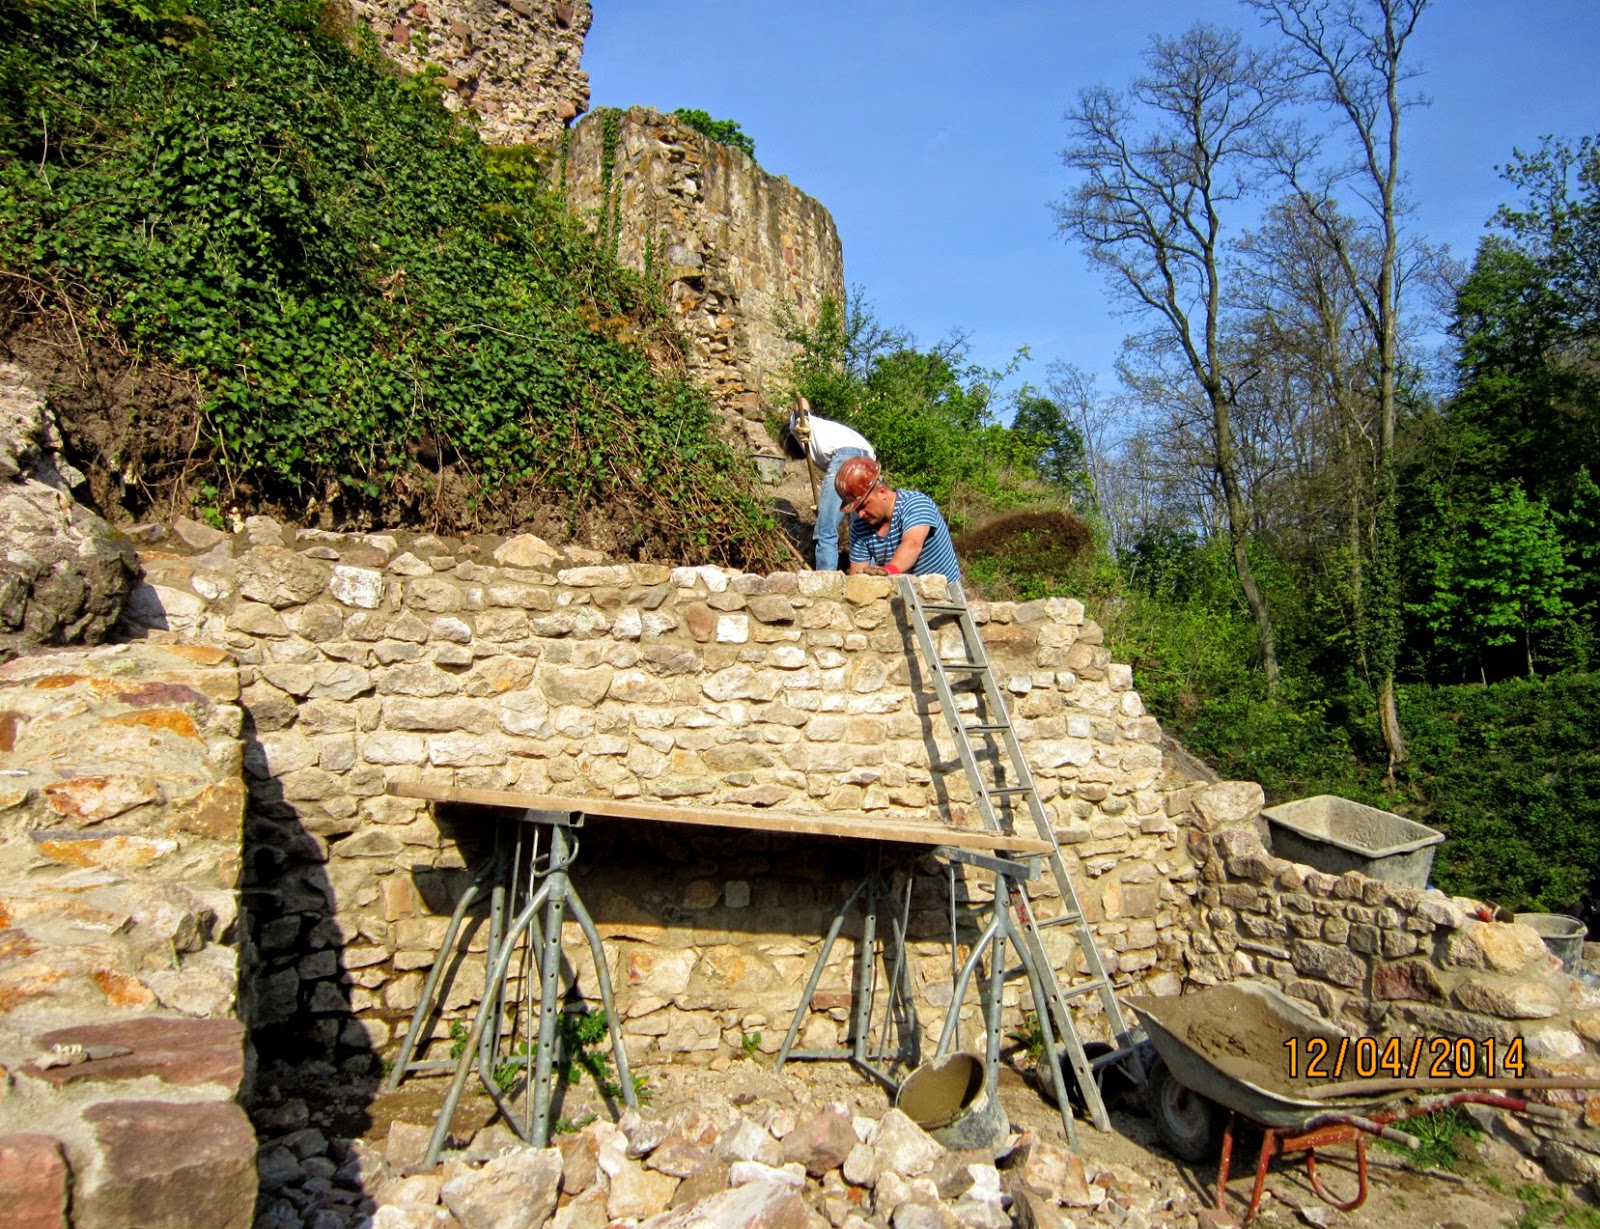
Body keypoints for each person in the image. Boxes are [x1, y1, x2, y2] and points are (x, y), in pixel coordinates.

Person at [834, 456, 961, 583]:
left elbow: (912, 545)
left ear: (882, 492)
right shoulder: (860, 526)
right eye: (856, 509)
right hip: (905, 594)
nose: (860, 514)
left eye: (863, 505)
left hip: (944, 595)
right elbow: (857, 576)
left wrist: (888, 571)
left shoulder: (915, 503)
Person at [781, 399, 874, 572]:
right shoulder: (827, 432)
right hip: (868, 461)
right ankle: (869, 577)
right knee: (862, 527)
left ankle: (826, 579)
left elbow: (801, 401)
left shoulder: (796, 427)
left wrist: (804, 419)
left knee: (826, 529)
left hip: (845, 457)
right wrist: (826, 506)